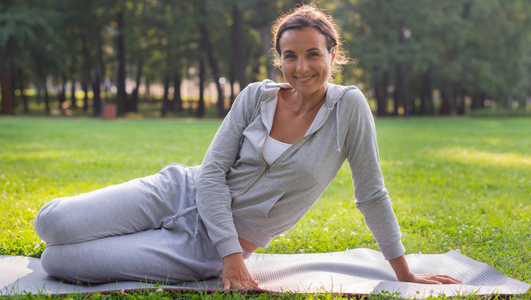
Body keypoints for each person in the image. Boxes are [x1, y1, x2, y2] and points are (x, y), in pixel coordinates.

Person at [34, 4, 461, 289]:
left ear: (333, 54)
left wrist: (404, 272)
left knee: (59, 263)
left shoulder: (349, 108)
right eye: (290, 56)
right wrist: (230, 252)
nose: (302, 67)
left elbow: (371, 194)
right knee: (52, 226)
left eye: (313, 54)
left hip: (204, 247)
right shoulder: (256, 96)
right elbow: (213, 173)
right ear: (280, 58)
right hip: (178, 190)